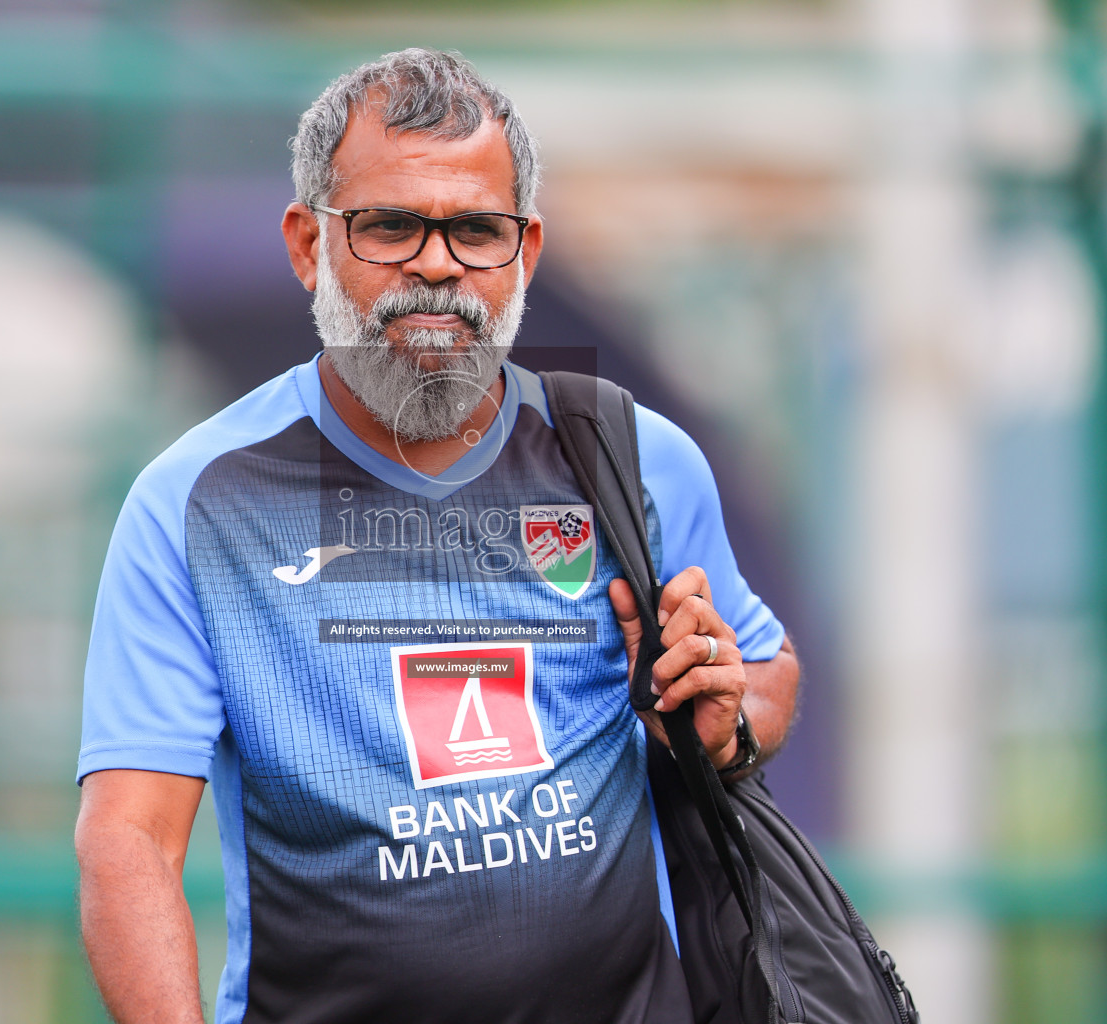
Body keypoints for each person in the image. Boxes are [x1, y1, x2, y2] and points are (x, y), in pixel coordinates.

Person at [75, 47, 800, 1024]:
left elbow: (767, 668)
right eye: (389, 226)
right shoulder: (196, 501)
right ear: (306, 244)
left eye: (476, 230)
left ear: (525, 252)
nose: (436, 264)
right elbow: (129, 841)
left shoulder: (632, 458)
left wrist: (726, 719)